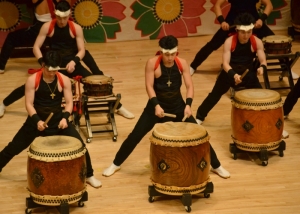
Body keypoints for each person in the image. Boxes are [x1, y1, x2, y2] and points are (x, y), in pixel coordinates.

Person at [102, 35, 230, 179]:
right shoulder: (152, 63)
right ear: (161, 52)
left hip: (178, 106)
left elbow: (189, 86)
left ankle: (217, 166)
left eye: (173, 54)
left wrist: (188, 106)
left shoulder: (182, 63)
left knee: (201, 135)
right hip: (155, 107)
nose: (170, 57)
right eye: (166, 54)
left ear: (177, 52)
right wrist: (156, 106)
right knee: (135, 136)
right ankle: (115, 163)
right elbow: (149, 86)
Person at [0, 0, 134, 119]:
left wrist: (74, 61)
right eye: (59, 17)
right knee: (29, 85)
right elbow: (36, 47)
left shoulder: (76, 28)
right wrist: (43, 63)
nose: (61, 21)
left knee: (95, 84)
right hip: (53, 64)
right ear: (55, 14)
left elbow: (82, 50)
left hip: (71, 63)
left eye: (64, 18)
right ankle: (4, 104)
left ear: (69, 15)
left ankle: (118, 107)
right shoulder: (47, 26)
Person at [0, 51, 101, 188]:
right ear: (43, 65)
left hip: (59, 121)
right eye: (49, 70)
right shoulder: (32, 80)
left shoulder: (63, 79)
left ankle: (89, 175)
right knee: (14, 147)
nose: (52, 73)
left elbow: (69, 103)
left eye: (55, 70)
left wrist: (65, 118)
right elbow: (29, 104)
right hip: (36, 121)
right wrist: (37, 121)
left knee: (81, 146)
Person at [189, 0, 299, 80]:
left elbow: (269, 5)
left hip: (253, 21)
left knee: (275, 42)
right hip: (233, 21)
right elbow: (217, 5)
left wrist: (261, 19)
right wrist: (222, 21)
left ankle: (287, 70)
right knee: (213, 44)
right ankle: (193, 66)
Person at [195, 13, 266, 125]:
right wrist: (234, 75)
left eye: (249, 32)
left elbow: (263, 61)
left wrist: (262, 68)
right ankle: (199, 116)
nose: (246, 35)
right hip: (229, 73)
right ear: (237, 30)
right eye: (243, 32)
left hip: (248, 74)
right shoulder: (229, 41)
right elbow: (225, 64)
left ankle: (267, 120)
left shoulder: (256, 41)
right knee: (214, 95)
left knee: (263, 98)